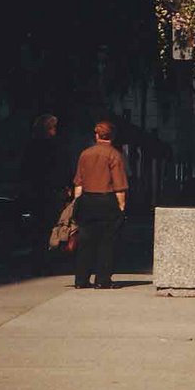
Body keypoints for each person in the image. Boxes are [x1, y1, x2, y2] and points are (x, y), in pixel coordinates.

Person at [72, 120, 129, 289]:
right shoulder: (114, 155)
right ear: (112, 136)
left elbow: (79, 183)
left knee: (85, 241)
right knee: (107, 242)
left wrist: (77, 203)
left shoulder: (85, 154)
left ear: (96, 135)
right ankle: (102, 280)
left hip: (87, 200)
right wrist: (121, 206)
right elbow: (119, 185)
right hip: (107, 201)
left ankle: (81, 280)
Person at [19, 114, 70, 275]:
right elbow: (61, 169)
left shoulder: (31, 146)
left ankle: (38, 261)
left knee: (38, 229)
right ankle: (47, 260)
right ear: (50, 129)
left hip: (36, 192)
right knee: (51, 227)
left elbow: (25, 170)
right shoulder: (55, 146)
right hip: (51, 192)